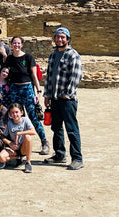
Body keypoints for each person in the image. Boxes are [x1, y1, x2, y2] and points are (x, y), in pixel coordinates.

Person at [43, 27, 84, 170]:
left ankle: (77, 158)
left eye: (63, 37)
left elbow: (76, 76)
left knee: (71, 128)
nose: (60, 39)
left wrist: (67, 93)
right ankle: (59, 154)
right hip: (54, 98)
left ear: (68, 39)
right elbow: (49, 77)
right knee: (56, 127)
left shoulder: (73, 55)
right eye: (57, 37)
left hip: (67, 99)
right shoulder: (53, 55)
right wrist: (47, 95)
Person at [5, 36, 50, 155]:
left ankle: (44, 142)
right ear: (11, 44)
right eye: (14, 43)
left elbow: (34, 75)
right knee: (17, 119)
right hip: (14, 89)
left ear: (22, 44)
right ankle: (20, 146)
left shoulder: (28, 57)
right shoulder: (9, 59)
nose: (16, 45)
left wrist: (39, 91)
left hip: (27, 88)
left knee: (33, 117)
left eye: (18, 43)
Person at [0, 103, 37, 173]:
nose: (15, 115)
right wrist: (10, 143)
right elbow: (3, 137)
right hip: (14, 148)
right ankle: (18, 157)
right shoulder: (9, 122)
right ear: (10, 114)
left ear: (21, 112)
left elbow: (33, 132)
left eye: (16, 112)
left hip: (23, 147)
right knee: (1, 157)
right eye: (12, 113)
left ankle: (28, 162)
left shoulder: (25, 120)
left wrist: (19, 133)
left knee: (28, 137)